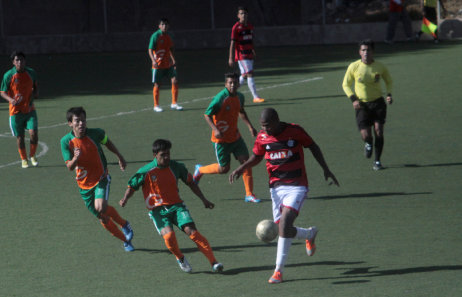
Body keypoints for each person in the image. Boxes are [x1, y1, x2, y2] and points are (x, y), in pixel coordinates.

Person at [229, 108, 339, 284]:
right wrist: (241, 168)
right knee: (284, 230)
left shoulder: (295, 131)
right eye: (262, 126)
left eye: (267, 126)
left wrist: (326, 168)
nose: (265, 129)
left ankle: (278, 271)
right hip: (276, 189)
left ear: (276, 121)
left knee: (285, 224)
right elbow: (257, 156)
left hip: (297, 186)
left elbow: (313, 146)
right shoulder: (262, 137)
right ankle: (309, 234)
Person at [119, 139, 223, 273]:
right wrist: (125, 199)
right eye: (163, 154)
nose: (167, 157)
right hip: (158, 211)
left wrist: (204, 200)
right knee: (169, 236)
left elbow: (190, 182)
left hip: (177, 207)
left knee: (193, 232)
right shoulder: (146, 171)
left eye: (168, 154)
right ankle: (180, 257)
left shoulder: (176, 167)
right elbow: (132, 186)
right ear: (155, 155)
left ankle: (214, 262)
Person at [60, 107, 134, 252]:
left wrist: (120, 156)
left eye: (83, 120)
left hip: (101, 178)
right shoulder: (66, 142)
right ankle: (125, 240)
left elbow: (108, 143)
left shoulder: (97, 133)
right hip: (84, 186)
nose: (81, 123)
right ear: (70, 123)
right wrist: (75, 158)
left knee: (100, 207)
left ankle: (124, 224)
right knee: (102, 217)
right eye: (77, 121)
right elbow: (69, 166)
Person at [193, 72, 260, 203]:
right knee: (224, 169)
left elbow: (241, 111)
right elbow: (207, 115)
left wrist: (250, 126)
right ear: (225, 84)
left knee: (246, 162)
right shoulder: (220, 98)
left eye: (235, 82)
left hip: (236, 137)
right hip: (221, 140)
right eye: (230, 83)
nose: (233, 85)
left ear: (238, 84)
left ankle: (249, 194)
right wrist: (215, 129)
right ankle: (200, 170)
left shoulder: (240, 97)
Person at [342, 39, 393, 170]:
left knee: (379, 131)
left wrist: (389, 94)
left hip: (378, 103)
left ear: (373, 52)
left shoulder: (380, 67)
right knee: (366, 135)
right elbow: (345, 85)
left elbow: (389, 81)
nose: (366, 53)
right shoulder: (354, 66)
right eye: (363, 50)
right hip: (362, 105)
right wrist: (353, 99)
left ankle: (377, 161)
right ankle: (368, 143)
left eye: (368, 50)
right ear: (359, 52)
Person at [0, 51, 40, 168]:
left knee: (34, 133)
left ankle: (32, 155)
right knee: (20, 137)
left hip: (30, 110)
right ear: (13, 62)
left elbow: (36, 87)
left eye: (21, 60)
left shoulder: (31, 73)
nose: (20, 62)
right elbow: (2, 92)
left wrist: (35, 95)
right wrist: (11, 100)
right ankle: (24, 159)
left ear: (25, 61)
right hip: (15, 112)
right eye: (17, 60)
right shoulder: (8, 75)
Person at [229, 6, 265, 103]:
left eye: (245, 13)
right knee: (250, 73)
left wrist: (253, 50)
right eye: (241, 13)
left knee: (244, 75)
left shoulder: (250, 26)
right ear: (238, 16)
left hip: (249, 54)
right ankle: (255, 97)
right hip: (242, 55)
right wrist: (231, 58)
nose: (243, 15)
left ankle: (230, 91)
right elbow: (232, 43)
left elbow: (251, 39)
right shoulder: (236, 28)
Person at [148, 18, 182, 112]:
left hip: (168, 64)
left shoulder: (168, 37)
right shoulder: (155, 36)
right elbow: (150, 49)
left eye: (166, 24)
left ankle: (174, 103)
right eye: (162, 24)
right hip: (158, 65)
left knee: (174, 80)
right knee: (157, 84)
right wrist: (153, 60)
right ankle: (156, 105)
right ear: (159, 26)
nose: (164, 26)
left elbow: (170, 49)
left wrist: (173, 60)